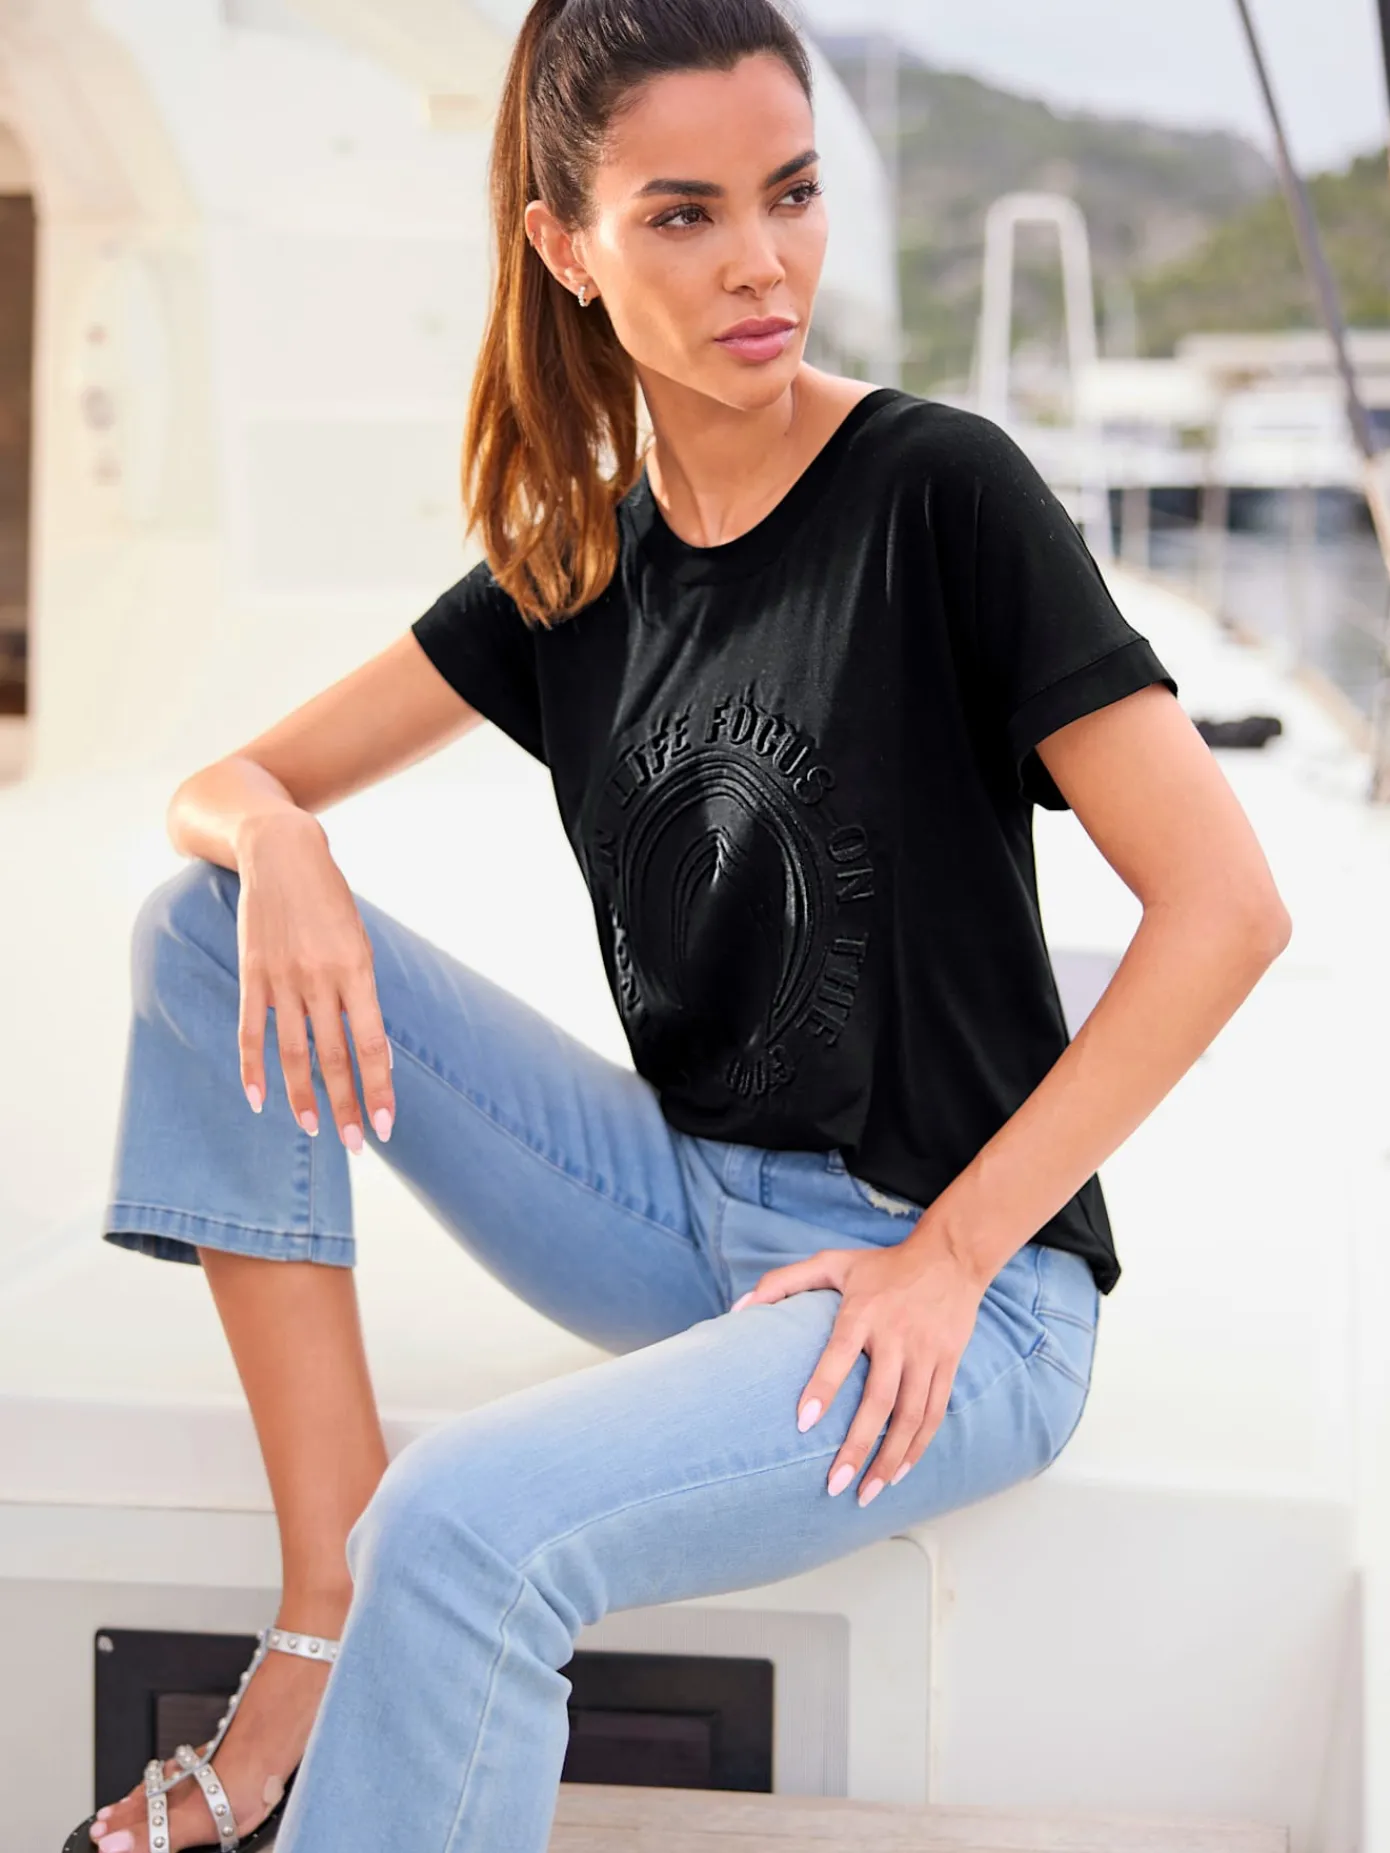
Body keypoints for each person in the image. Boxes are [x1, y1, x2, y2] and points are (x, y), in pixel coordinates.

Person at [71, 1, 1291, 1849]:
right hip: (682, 1216)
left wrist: (948, 1258)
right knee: (202, 918)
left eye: (788, 195)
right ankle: (323, 1608)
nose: (761, 264)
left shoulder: (935, 494)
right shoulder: (574, 561)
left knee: (468, 1525)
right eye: (683, 214)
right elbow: (226, 783)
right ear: (564, 247)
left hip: (957, 1298)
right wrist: (282, 840)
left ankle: (372, 1619)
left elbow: (1226, 909)